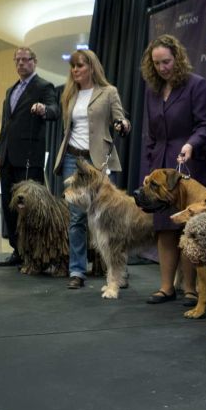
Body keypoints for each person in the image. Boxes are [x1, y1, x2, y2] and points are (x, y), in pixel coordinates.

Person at [140, 34, 206, 304]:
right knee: (164, 227)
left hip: (191, 163)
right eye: (157, 63)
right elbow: (151, 134)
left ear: (178, 58)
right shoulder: (152, 91)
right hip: (160, 165)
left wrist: (192, 145)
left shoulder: (197, 85)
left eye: (167, 61)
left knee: (190, 229)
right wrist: (150, 168)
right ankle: (166, 287)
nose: (162, 68)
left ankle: (191, 290)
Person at [53, 49, 130, 289]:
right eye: (73, 66)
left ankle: (117, 272)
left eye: (80, 66)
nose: (75, 70)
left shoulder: (108, 92)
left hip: (98, 161)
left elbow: (121, 119)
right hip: (73, 159)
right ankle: (77, 270)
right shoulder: (69, 95)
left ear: (92, 67)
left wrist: (122, 124)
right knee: (76, 218)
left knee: (110, 218)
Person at [0, 47, 59, 267]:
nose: (21, 63)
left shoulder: (43, 86)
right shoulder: (10, 90)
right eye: (17, 60)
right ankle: (18, 251)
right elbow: (6, 124)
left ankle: (36, 254)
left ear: (34, 61)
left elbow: (54, 110)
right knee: (10, 207)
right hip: (7, 158)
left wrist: (43, 109)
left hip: (30, 158)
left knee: (32, 209)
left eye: (25, 60)